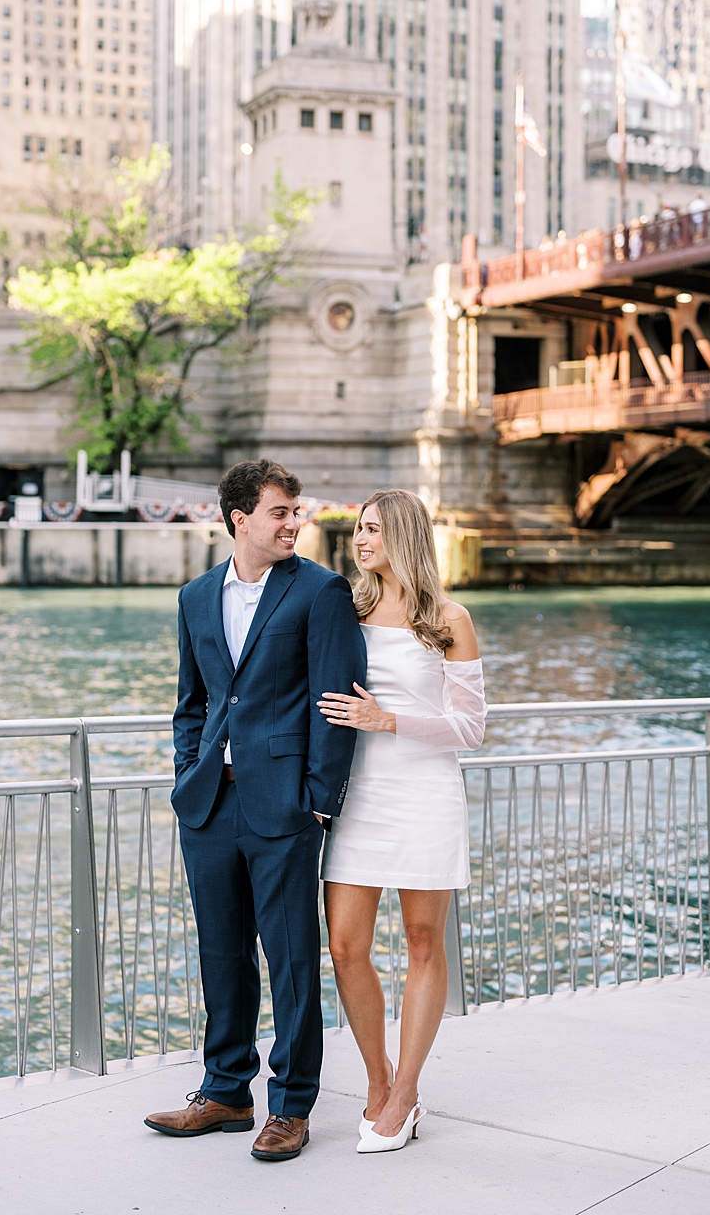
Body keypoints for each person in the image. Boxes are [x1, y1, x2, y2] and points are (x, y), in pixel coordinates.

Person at [145, 458, 364, 1163]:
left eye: (297, 512)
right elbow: (192, 703)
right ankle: (225, 1091)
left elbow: (337, 705)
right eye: (280, 513)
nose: (294, 524)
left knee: (292, 960)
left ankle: (291, 1104)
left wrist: (318, 802)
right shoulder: (195, 596)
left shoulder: (321, 592)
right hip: (210, 804)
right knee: (222, 953)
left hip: (286, 808)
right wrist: (188, 774)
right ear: (240, 519)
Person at [315, 488, 485, 1154]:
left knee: (422, 942)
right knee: (345, 946)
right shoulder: (343, 612)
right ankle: (376, 1077)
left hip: (425, 794)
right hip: (359, 797)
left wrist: (390, 720)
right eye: (358, 530)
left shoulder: (448, 618)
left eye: (374, 531)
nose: (360, 541)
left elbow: (471, 728)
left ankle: (407, 1092)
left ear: (405, 536)